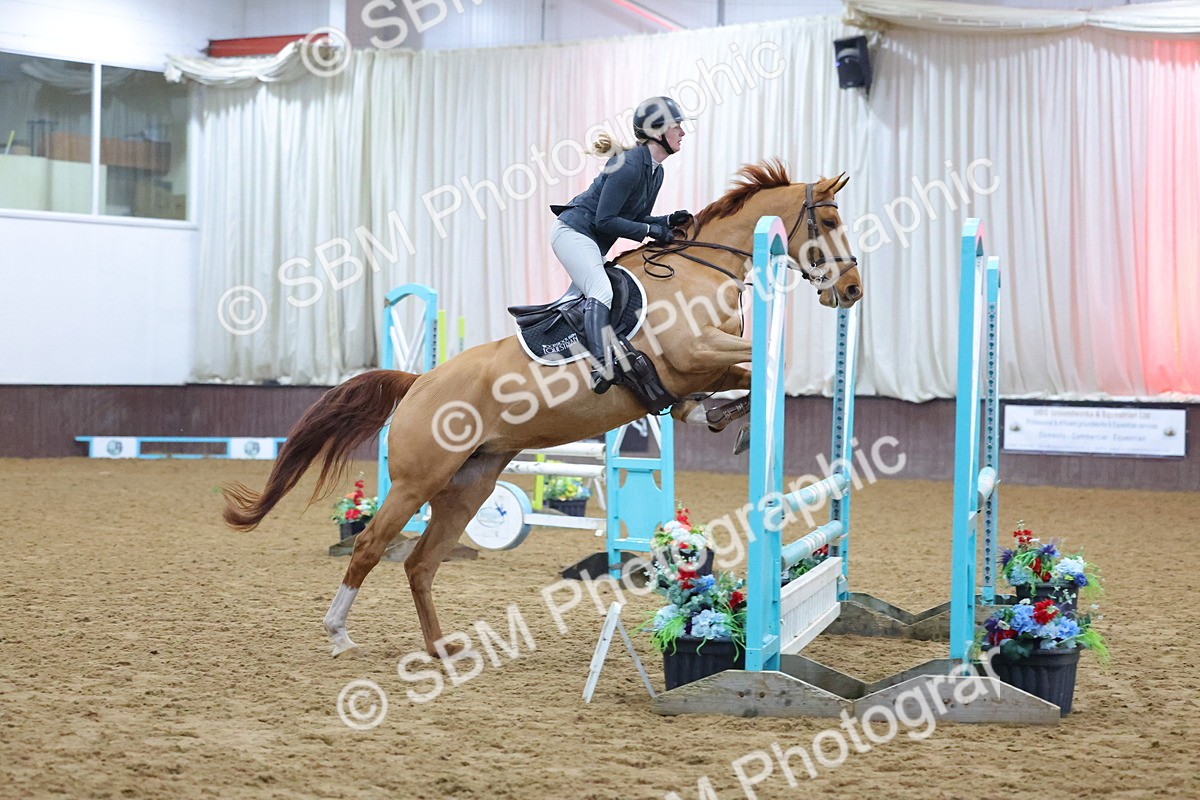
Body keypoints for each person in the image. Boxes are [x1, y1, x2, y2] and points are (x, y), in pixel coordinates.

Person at [550, 96, 693, 392]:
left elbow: (636, 216)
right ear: (657, 132)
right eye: (676, 125)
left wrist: (666, 221)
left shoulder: (656, 170)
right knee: (601, 291)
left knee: (610, 290)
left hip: (589, 239)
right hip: (573, 233)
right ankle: (602, 365)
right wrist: (653, 231)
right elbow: (605, 220)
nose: (682, 131)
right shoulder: (628, 165)